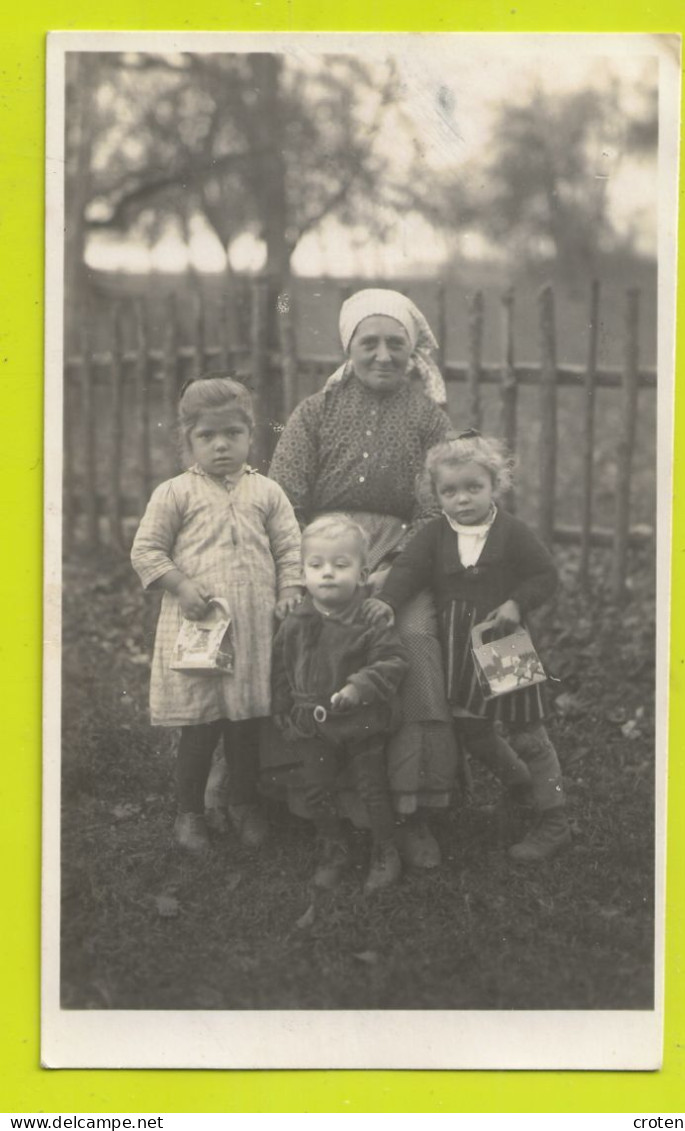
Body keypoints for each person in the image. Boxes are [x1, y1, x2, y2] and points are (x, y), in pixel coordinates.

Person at [264, 288, 459, 868]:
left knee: (414, 642)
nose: (382, 355)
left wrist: (392, 572)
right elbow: (285, 496)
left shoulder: (429, 417)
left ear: (412, 351)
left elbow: (437, 505)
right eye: (367, 343)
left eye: (394, 344)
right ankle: (309, 797)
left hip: (402, 556)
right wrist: (312, 567)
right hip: (322, 552)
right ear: (348, 348)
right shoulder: (315, 412)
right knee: (304, 639)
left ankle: (415, 808)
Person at [379, 432, 571, 862]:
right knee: (471, 729)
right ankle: (520, 784)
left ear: (494, 485)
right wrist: (386, 603)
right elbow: (407, 570)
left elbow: (545, 576)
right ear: (436, 494)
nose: (462, 499)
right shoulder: (433, 534)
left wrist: (516, 603)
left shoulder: (512, 532)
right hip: (458, 650)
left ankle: (554, 816)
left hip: (503, 645)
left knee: (528, 734)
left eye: (473, 488)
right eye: (449, 491)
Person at [131, 375, 302, 854]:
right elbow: (146, 551)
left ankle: (244, 803)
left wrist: (289, 588)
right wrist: (181, 585)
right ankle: (191, 814)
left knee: (246, 726)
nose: (221, 445)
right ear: (188, 441)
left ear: (251, 435)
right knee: (200, 728)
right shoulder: (175, 493)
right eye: (207, 436)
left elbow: (290, 547)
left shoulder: (267, 492)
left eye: (233, 434)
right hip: (199, 630)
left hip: (251, 627)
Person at [272, 514, 409, 893]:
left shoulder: (370, 616)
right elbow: (279, 668)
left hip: (361, 720)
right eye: (316, 566)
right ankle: (333, 849)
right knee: (317, 789)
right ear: (303, 573)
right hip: (312, 725)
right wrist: (283, 711)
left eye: (340, 565)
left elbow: (391, 661)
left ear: (363, 575)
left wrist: (358, 687)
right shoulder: (297, 620)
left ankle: (385, 850)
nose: (327, 574)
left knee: (372, 787)